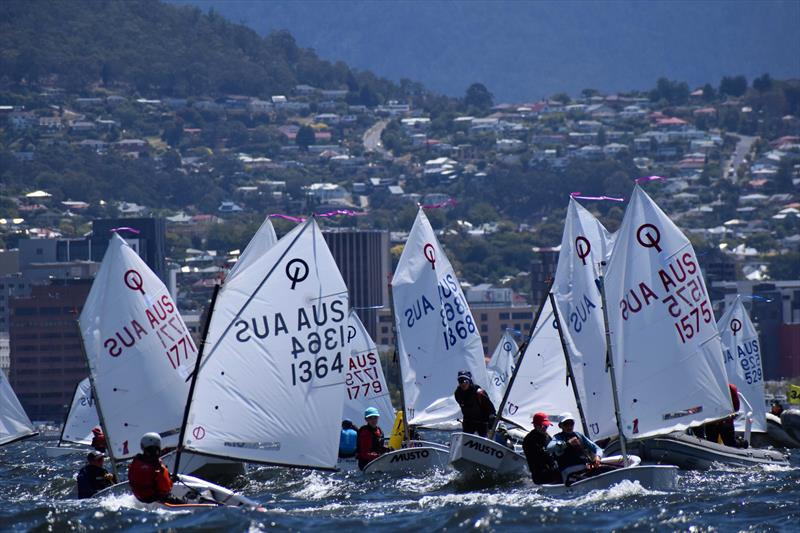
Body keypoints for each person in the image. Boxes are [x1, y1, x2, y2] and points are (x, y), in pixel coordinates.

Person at [546, 412, 610, 485]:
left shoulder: (578, 435)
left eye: (571, 423)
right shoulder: (558, 437)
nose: (569, 426)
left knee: (607, 470)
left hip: (585, 470)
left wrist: (597, 457)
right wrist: (567, 444)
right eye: (566, 424)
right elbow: (549, 448)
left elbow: (597, 449)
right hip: (570, 475)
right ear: (560, 426)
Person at [128, 432, 178, 504]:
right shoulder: (158, 467)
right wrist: (171, 481)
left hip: (139, 498)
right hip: (153, 499)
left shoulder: (135, 462)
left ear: (142, 446)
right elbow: (166, 489)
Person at [454, 370, 496, 437]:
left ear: (469, 381)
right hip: (468, 422)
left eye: (465, 381)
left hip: (482, 423)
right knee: (465, 439)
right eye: (460, 381)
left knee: (484, 439)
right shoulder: (457, 393)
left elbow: (491, 409)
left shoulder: (479, 393)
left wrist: (491, 424)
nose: (463, 384)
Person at [522, 412, 561, 485]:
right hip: (541, 476)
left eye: (546, 426)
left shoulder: (547, 436)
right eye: (543, 425)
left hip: (552, 471)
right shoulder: (529, 440)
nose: (545, 428)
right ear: (535, 425)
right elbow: (543, 455)